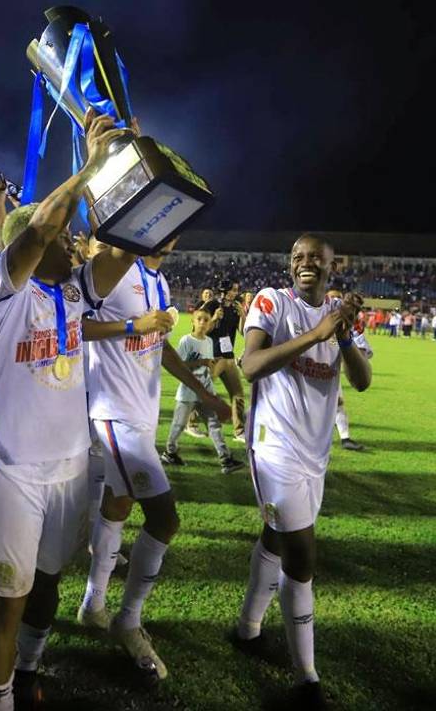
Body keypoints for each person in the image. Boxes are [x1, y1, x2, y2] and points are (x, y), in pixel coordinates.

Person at [0, 110, 135, 711]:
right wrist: (88, 163)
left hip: (69, 466)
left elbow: (120, 249)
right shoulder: (1, 292)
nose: (72, 244)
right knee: (6, 605)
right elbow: (39, 229)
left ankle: (31, 672)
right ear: (24, 251)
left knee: (47, 587)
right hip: (13, 467)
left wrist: (124, 165)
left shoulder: (71, 292)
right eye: (64, 241)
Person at [78, 237, 232, 680]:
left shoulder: (158, 280)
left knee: (118, 504)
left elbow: (159, 346)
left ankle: (93, 605)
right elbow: (76, 325)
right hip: (113, 414)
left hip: (141, 416)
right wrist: (132, 326)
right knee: (165, 519)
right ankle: (127, 621)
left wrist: (202, 392)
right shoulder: (111, 271)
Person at [232, 234, 371, 709]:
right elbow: (250, 366)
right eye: (298, 257)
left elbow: (363, 380)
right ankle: (306, 676)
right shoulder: (272, 301)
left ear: (334, 265)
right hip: (273, 447)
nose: (305, 263)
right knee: (302, 555)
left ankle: (248, 627)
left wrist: (344, 332)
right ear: (290, 266)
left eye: (316, 257)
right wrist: (317, 334)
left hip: (315, 454)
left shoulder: (338, 313)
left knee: (277, 537)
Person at [165, 308, 242, 471]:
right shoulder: (186, 341)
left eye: (206, 320)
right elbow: (179, 365)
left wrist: (213, 364)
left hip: (206, 391)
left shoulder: (208, 342)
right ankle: (169, 452)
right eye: (199, 319)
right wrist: (202, 362)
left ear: (209, 325)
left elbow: (207, 366)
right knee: (179, 424)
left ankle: (225, 459)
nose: (202, 322)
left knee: (214, 424)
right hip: (187, 392)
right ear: (192, 321)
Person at [198, 282, 248, 440]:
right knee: (202, 391)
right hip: (214, 356)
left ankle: (239, 431)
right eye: (233, 290)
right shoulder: (212, 304)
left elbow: (242, 332)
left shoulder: (235, 307)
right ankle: (191, 423)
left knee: (238, 395)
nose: (236, 293)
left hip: (228, 356)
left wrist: (243, 316)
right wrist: (213, 318)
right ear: (224, 291)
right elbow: (202, 329)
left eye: (236, 290)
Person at [326, 290, 373, 452]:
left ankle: (345, 438)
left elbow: (363, 354)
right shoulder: (312, 318)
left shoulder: (349, 326)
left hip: (331, 373)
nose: (335, 304)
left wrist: (346, 338)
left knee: (338, 404)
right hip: (307, 373)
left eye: (337, 301)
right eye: (332, 300)